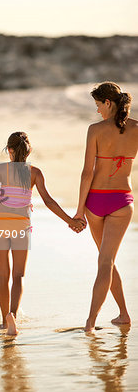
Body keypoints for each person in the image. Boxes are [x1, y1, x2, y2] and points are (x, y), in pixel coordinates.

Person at [0, 132, 85, 335]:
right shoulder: (35, 173)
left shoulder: (0, 170)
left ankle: (3, 320)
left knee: (2, 273)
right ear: (29, 151)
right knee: (18, 275)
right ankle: (13, 316)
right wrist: (70, 221)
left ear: (9, 150)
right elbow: (49, 201)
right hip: (21, 226)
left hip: (1, 224)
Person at [73, 82, 138, 332]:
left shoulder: (95, 130)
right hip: (122, 201)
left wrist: (79, 211)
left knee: (105, 262)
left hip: (96, 202)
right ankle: (123, 314)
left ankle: (89, 323)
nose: (98, 110)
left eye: (98, 105)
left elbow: (86, 173)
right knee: (107, 261)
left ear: (108, 103)